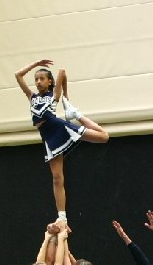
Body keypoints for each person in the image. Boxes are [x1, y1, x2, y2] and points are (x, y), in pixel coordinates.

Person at [14, 59, 109, 222]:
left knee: (104, 137)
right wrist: (36, 64)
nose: (38, 82)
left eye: (42, 78)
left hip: (60, 128)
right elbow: (18, 75)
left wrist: (66, 99)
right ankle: (62, 218)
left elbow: (62, 72)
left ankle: (77, 115)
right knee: (57, 178)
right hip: (48, 138)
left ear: (50, 82)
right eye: (36, 79)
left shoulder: (54, 95)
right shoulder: (32, 97)